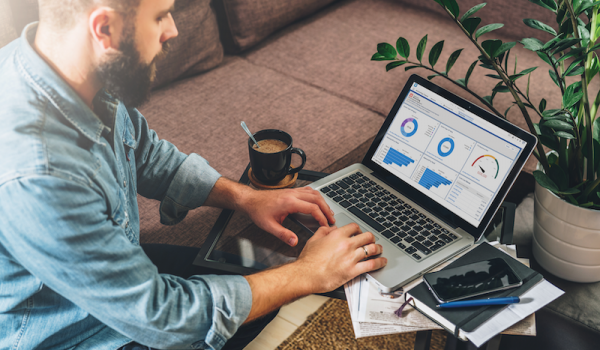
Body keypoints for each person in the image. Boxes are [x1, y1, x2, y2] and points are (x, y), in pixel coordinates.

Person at [0, 0, 388, 349]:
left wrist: (246, 197)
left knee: (258, 288)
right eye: (159, 16)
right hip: (72, 334)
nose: (173, 29)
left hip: (114, 283)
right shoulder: (41, 175)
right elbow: (166, 318)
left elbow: (145, 152)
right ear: (104, 30)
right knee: (273, 290)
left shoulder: (71, 69)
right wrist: (310, 273)